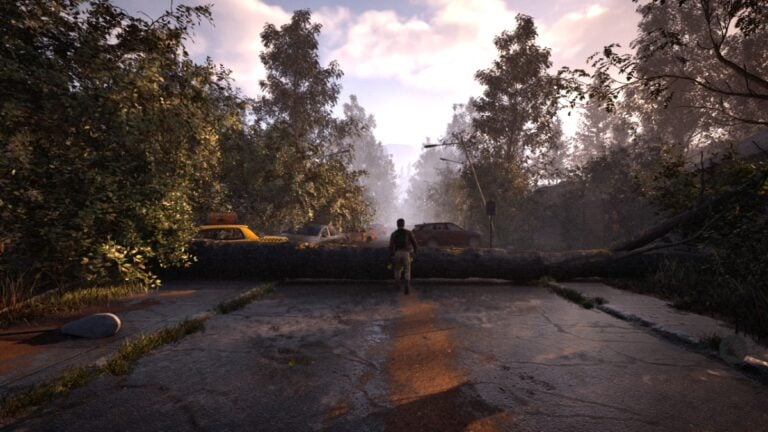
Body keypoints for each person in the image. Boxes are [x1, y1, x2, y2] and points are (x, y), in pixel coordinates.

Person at [389, 218, 418, 294]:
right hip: (406, 253)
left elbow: (391, 246)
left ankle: (397, 285)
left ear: (397, 224)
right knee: (407, 269)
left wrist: (391, 255)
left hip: (397, 253)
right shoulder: (408, 233)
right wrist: (415, 252)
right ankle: (407, 285)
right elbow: (414, 243)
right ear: (404, 224)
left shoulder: (394, 233)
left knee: (397, 269)